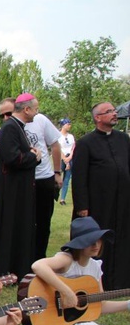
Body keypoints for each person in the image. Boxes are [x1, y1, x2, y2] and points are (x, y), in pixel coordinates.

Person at [11, 217, 130, 325]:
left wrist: (127, 304)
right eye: (90, 241)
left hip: (74, 322)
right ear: (79, 244)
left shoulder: (95, 267)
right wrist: (66, 291)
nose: (96, 244)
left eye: (99, 240)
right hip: (53, 316)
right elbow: (38, 266)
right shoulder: (67, 260)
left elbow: (100, 304)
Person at [71, 102, 130, 290]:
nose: (114, 114)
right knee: (98, 243)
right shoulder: (86, 143)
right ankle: (96, 283)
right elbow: (79, 177)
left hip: (123, 202)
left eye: (114, 111)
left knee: (122, 239)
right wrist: (82, 206)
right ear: (98, 117)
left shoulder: (123, 139)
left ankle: (121, 281)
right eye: (109, 111)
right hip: (98, 203)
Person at [0, 94, 41, 279]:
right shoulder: (10, 127)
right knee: (7, 227)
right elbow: (12, 158)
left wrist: (31, 154)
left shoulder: (17, 127)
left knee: (17, 227)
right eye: (35, 109)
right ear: (26, 109)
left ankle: (16, 266)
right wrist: (34, 156)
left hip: (18, 189)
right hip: (10, 190)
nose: (36, 112)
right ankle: (2, 267)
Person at [25, 108, 62, 260]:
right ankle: (25, 256)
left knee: (43, 221)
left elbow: (55, 145)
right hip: (25, 179)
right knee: (26, 221)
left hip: (44, 177)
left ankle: (40, 256)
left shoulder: (40, 119)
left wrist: (57, 172)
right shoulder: (12, 125)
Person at [57, 118, 75, 206]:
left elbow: (73, 147)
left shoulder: (70, 136)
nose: (69, 126)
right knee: (58, 177)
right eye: (68, 124)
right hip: (61, 158)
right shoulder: (58, 135)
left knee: (67, 179)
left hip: (70, 157)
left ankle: (62, 199)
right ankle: (55, 194)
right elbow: (58, 149)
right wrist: (65, 160)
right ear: (63, 125)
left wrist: (70, 157)